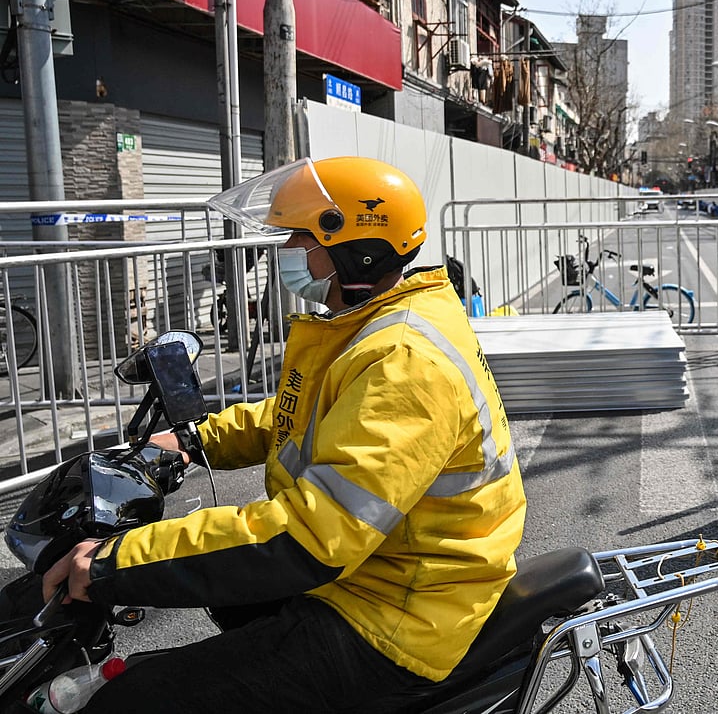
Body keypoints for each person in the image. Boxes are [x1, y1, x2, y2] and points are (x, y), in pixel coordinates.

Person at [42, 157, 527, 713]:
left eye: (300, 236)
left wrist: (113, 563)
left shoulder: (405, 361)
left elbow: (308, 538)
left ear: (354, 251)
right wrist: (196, 441)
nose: (287, 250)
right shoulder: (379, 323)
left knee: (138, 697)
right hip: (373, 573)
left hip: (394, 615)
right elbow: (301, 415)